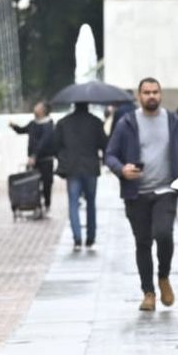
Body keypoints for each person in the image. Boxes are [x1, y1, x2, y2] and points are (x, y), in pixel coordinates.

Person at [104, 77, 178, 311]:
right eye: (146, 93)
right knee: (143, 242)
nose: (151, 96)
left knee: (164, 234)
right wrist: (122, 169)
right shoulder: (127, 122)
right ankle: (148, 292)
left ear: (161, 94)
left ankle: (163, 275)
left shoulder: (173, 121)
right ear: (139, 96)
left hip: (166, 189)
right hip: (136, 193)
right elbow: (110, 155)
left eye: (155, 92)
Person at [50, 100, 107, 250]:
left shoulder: (63, 123)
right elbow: (104, 144)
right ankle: (90, 237)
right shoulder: (96, 122)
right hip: (90, 167)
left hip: (72, 168)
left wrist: (63, 157)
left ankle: (77, 237)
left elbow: (55, 145)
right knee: (91, 203)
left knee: (73, 203)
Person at [10, 102, 56, 210]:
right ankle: (35, 203)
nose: (35, 108)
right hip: (33, 159)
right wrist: (14, 127)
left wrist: (35, 155)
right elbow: (22, 130)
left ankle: (47, 203)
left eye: (38, 107)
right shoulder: (33, 123)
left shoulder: (48, 125)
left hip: (45, 159)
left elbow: (43, 142)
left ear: (44, 110)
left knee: (46, 183)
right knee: (31, 182)